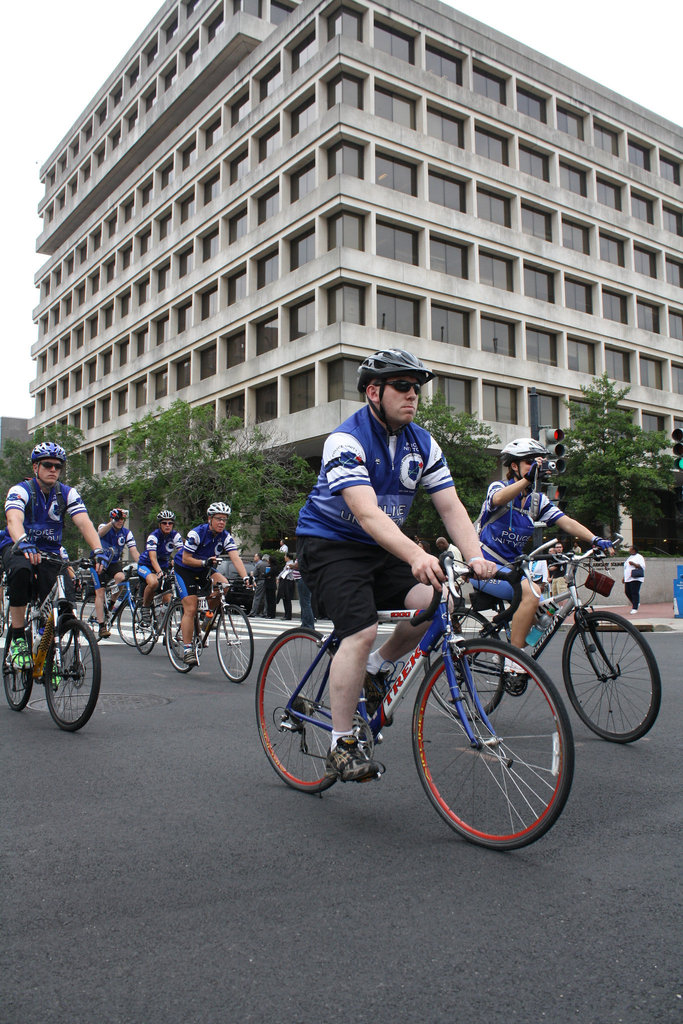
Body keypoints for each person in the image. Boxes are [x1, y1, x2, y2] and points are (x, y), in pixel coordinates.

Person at [296, 348, 498, 783]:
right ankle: (342, 741)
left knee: (437, 598)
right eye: (402, 387)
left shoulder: (423, 443)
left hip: (381, 549)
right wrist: (416, 554)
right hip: (331, 545)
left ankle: (377, 666)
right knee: (360, 629)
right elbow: (366, 514)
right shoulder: (345, 440)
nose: (413, 395)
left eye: (417, 388)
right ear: (374, 391)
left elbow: (450, 506)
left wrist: (476, 556)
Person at [474, 438, 613, 658]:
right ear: (513, 466)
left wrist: (594, 539)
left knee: (544, 614)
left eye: (537, 462)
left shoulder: (538, 501)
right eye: (529, 462)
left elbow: (566, 522)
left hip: (513, 571)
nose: (535, 467)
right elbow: (499, 499)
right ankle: (514, 658)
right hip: (483, 567)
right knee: (533, 592)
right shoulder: (499, 487)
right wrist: (527, 480)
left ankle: (507, 648)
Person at [0, 441, 110, 670]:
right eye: (47, 465)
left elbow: (84, 523)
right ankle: (19, 638)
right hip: (17, 545)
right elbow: (13, 519)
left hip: (49, 552)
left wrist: (98, 550)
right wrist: (22, 540)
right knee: (21, 571)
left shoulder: (67, 493)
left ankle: (46, 640)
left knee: (65, 596)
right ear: (35, 468)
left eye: (57, 466)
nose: (53, 470)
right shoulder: (21, 490)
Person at [173, 502, 250, 665]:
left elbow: (235, 557)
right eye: (218, 519)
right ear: (210, 519)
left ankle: (205, 619)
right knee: (191, 608)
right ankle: (187, 649)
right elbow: (186, 558)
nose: (222, 522)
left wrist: (246, 577)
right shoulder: (197, 534)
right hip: (185, 568)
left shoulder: (225, 536)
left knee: (225, 585)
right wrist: (203, 562)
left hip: (204, 568)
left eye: (225, 519)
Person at [93, 508, 140, 639]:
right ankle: (102, 626)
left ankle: (112, 603)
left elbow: (134, 551)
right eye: (117, 519)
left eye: (122, 519)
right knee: (100, 592)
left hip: (113, 562)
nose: (120, 521)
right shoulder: (105, 527)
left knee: (122, 577)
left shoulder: (126, 533)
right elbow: (100, 533)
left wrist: (142, 565)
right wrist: (112, 522)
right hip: (100, 562)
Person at [137, 510, 183, 620]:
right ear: (160, 524)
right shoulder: (154, 536)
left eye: (170, 523)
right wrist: (159, 572)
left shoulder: (175, 535)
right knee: (154, 582)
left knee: (169, 598)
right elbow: (153, 559)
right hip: (146, 565)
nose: (167, 525)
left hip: (163, 566)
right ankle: (145, 607)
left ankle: (162, 619)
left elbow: (182, 554)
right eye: (164, 523)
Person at [291, 556, 315, 628]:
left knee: (305, 603)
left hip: (303, 579)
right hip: (303, 579)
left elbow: (298, 565)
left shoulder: (304, 553)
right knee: (304, 603)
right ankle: (305, 623)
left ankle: (309, 625)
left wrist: (291, 565)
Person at [623, 545, 646, 614]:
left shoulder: (639, 557)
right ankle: (635, 602)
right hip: (628, 578)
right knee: (627, 592)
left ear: (634, 550)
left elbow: (642, 566)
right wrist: (624, 577)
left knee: (634, 592)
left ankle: (634, 608)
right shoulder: (630, 557)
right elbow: (626, 568)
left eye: (630, 549)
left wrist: (633, 564)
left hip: (635, 577)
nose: (629, 550)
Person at [276, 553, 295, 620]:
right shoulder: (288, 564)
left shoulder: (291, 564)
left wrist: (279, 577)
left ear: (288, 557)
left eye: (285, 556)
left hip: (288, 582)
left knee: (287, 598)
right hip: (286, 581)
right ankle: (286, 614)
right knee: (285, 598)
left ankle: (288, 615)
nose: (284, 557)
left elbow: (285, 572)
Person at [248, 552, 267, 618]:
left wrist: (252, 575)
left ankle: (253, 612)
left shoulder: (258, 564)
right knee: (265, 597)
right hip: (267, 581)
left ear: (258, 557)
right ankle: (265, 612)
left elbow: (255, 574)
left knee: (257, 597)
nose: (254, 557)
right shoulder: (267, 564)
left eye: (255, 556)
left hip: (260, 581)